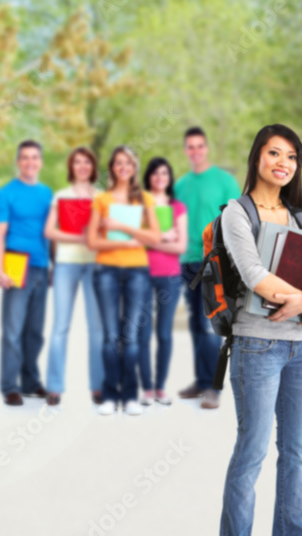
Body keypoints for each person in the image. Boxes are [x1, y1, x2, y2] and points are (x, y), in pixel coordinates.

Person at [219, 124, 302, 536]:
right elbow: (255, 275)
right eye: (275, 154)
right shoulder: (238, 213)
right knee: (252, 451)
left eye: (292, 157)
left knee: (296, 453)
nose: (283, 164)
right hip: (256, 346)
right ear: (257, 157)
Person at [86, 145, 161, 416]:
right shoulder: (102, 200)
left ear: (134, 167)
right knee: (109, 337)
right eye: (118, 163)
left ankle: (129, 395)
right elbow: (92, 240)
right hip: (105, 271)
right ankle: (109, 394)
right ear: (112, 168)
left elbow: (154, 237)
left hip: (137, 272)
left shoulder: (144, 199)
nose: (123, 167)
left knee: (129, 337)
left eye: (127, 163)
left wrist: (125, 229)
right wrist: (127, 242)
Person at [174, 126, 241, 409]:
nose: (195, 151)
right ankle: (202, 380)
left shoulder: (225, 181)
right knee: (195, 323)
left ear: (207, 148)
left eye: (200, 146)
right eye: (190, 147)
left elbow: (236, 219)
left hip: (213, 261)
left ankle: (214, 386)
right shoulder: (179, 185)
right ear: (185, 150)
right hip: (187, 262)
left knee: (209, 323)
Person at [0, 140, 54, 406]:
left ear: (40, 162)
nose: (30, 162)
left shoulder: (47, 193)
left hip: (41, 266)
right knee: (13, 330)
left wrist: (54, 265)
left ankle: (30, 382)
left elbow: (50, 235)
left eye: (35, 158)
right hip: (16, 262)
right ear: (18, 162)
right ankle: (9, 386)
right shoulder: (5, 194)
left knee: (35, 331)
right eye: (25, 158)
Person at [43, 147, 104, 406]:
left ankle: (99, 386)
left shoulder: (102, 197)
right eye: (77, 162)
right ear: (72, 167)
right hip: (66, 264)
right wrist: (80, 237)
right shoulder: (61, 196)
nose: (82, 166)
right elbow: (49, 231)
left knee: (97, 329)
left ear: (92, 167)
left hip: (95, 265)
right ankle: (54, 387)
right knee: (60, 327)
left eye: (86, 162)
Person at [138, 157, 188, 406]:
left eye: (164, 174)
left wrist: (151, 239)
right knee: (143, 332)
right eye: (155, 174)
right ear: (149, 177)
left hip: (170, 277)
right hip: (143, 274)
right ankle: (146, 388)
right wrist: (162, 236)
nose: (160, 178)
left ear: (169, 179)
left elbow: (180, 245)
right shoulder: (140, 205)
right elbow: (135, 240)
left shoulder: (177, 207)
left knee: (164, 333)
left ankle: (160, 387)